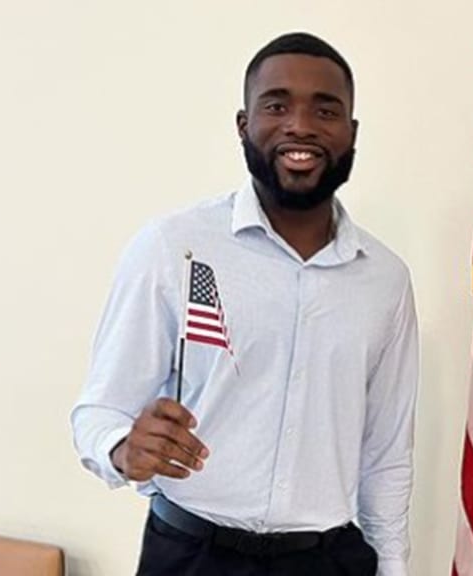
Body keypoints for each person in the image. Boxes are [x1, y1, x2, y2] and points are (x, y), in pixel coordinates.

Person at [71, 32, 419, 576]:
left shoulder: (386, 280)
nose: (300, 125)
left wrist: (393, 566)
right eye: (276, 105)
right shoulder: (174, 247)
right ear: (243, 124)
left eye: (325, 110)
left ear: (351, 133)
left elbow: (386, 452)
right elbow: (99, 410)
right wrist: (122, 448)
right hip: (191, 557)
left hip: (326, 562)